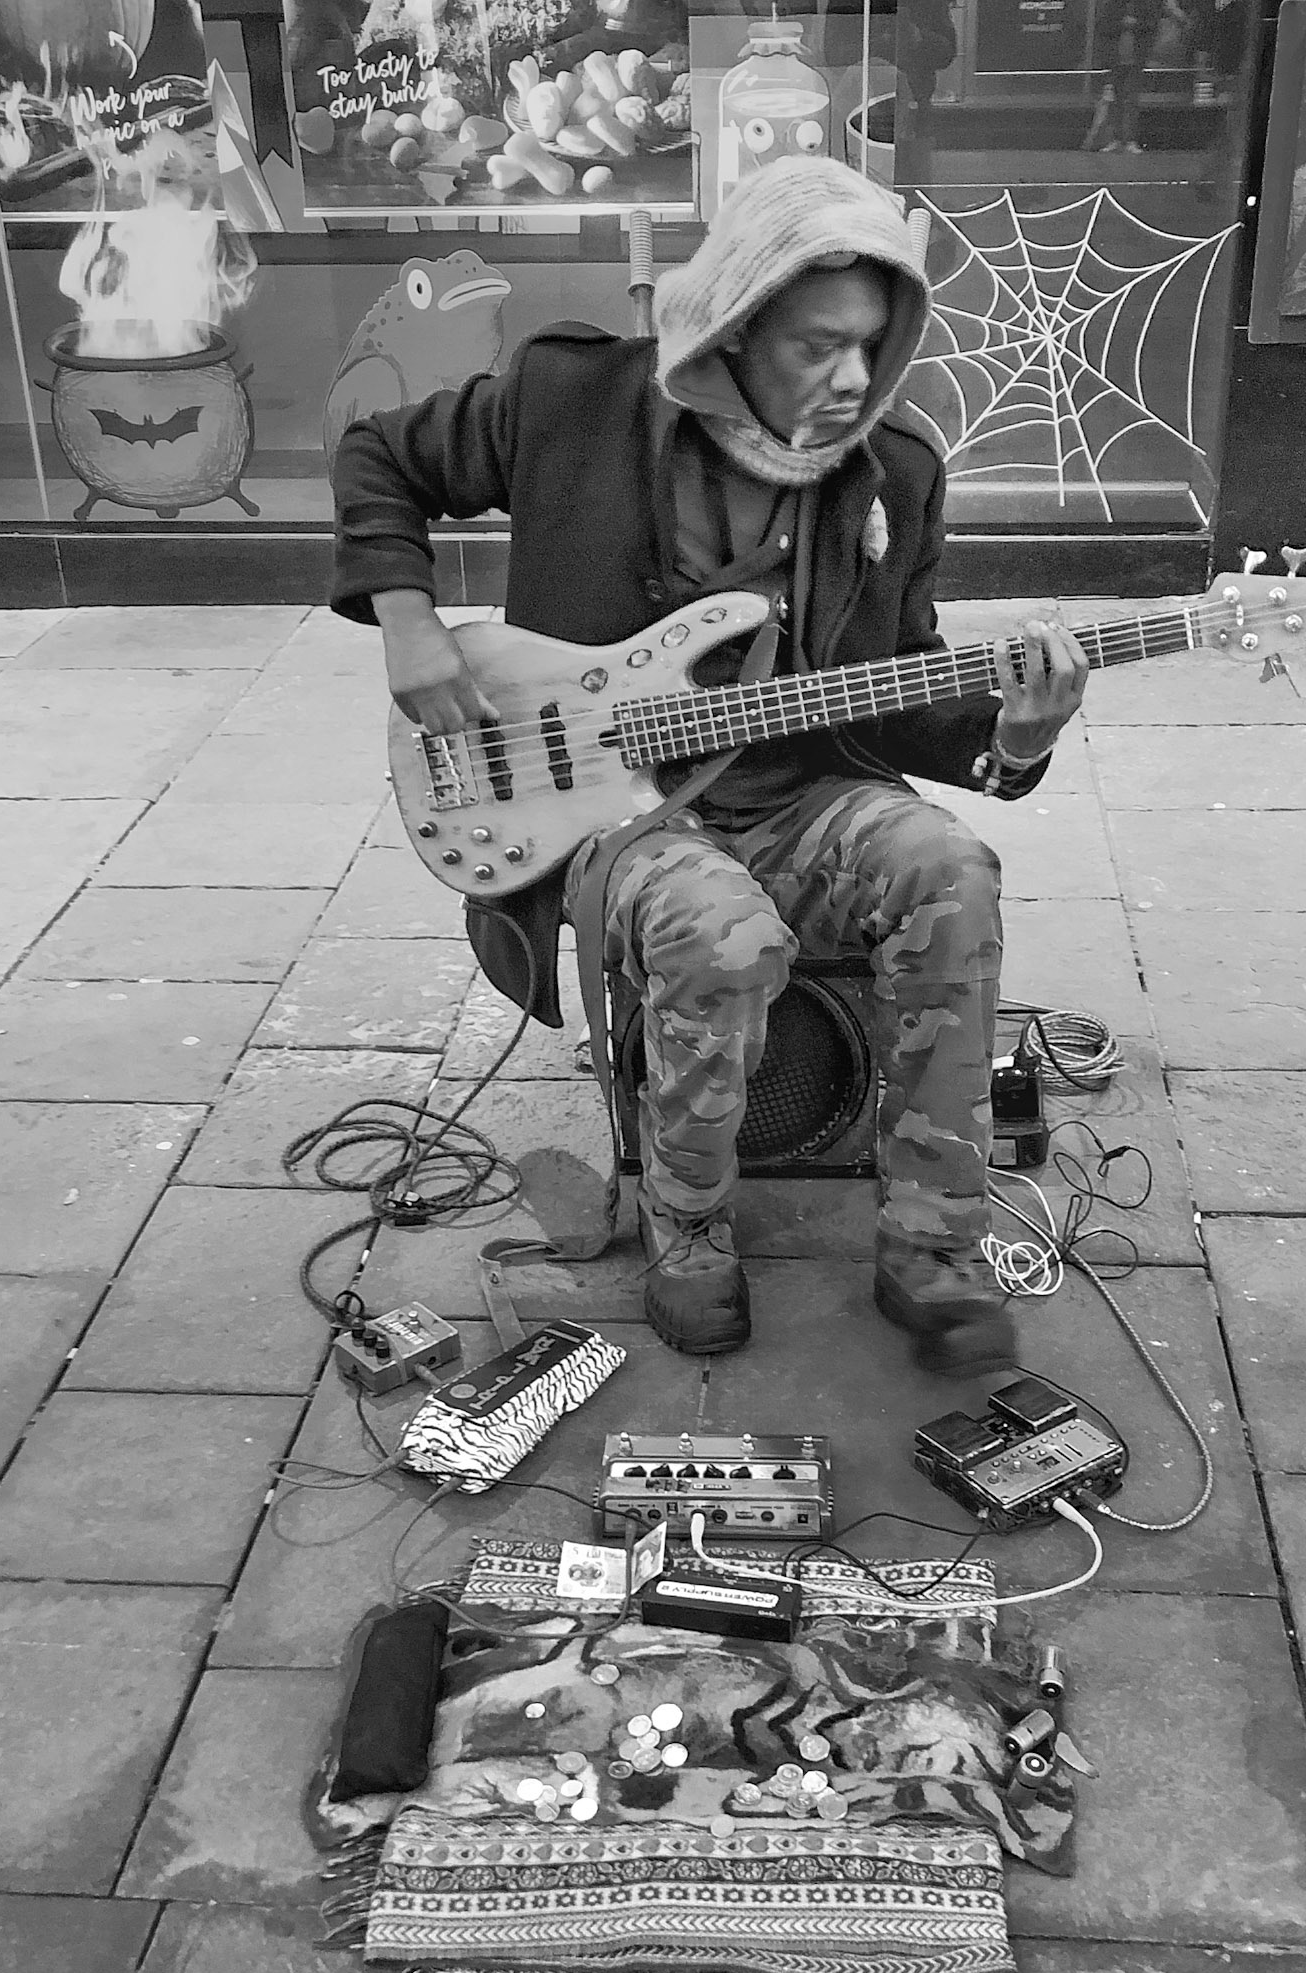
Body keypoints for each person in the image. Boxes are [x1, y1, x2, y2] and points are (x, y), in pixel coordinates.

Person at [331, 157, 1088, 1365]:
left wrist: (1013, 737)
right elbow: (380, 455)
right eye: (815, 347)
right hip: (603, 814)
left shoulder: (893, 468)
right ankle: (686, 1224)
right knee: (718, 928)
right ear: (735, 323)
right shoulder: (571, 398)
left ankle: (932, 1238)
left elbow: (896, 687)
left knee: (953, 868)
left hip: (801, 797)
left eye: (871, 346)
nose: (850, 380)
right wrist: (409, 625)